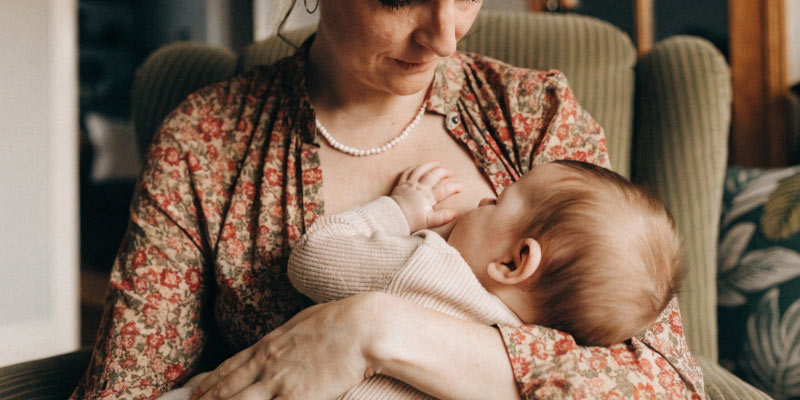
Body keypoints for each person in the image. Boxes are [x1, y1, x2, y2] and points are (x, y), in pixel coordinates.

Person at [71, 0, 706, 398]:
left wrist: (371, 330)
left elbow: (666, 379)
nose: (444, 40)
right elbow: (126, 389)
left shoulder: (533, 118)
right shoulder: (208, 142)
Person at [159, 159, 683, 400]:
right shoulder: (528, 359)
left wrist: (399, 211)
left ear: (514, 262)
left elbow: (313, 258)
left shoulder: (429, 269)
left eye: (499, 202)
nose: (482, 199)